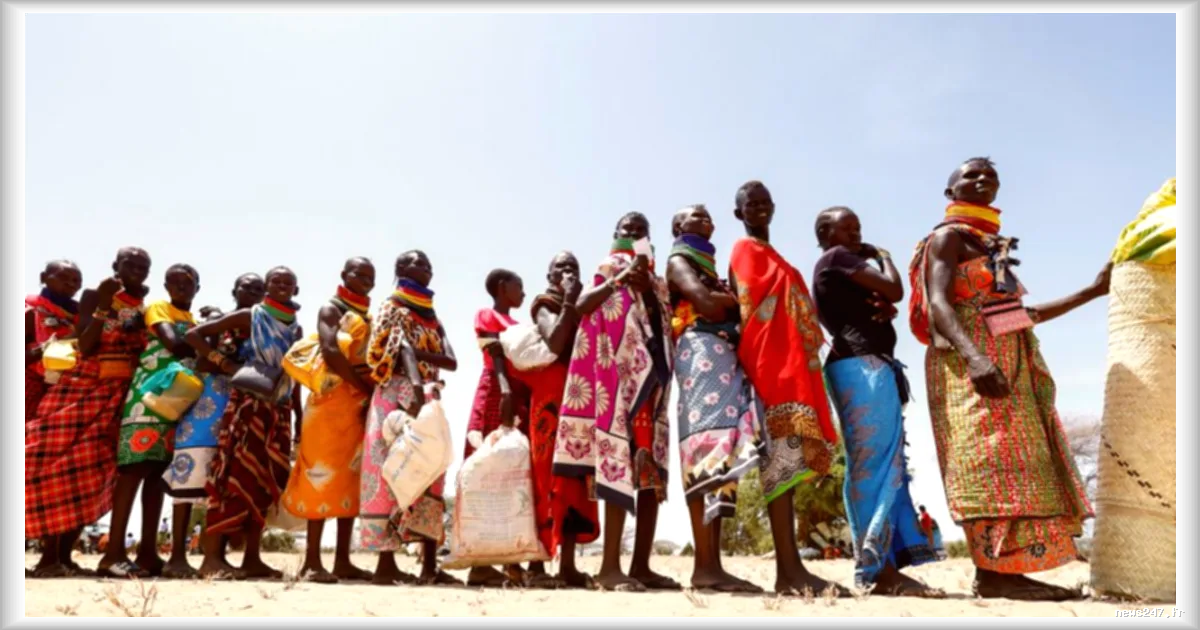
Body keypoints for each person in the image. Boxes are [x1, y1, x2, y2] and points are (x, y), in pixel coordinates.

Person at [908, 157, 1110, 601]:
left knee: (1014, 467)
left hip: (1009, 366)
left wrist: (1092, 292)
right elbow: (940, 305)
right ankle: (994, 574)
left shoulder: (991, 248)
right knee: (983, 462)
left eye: (991, 175)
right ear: (950, 192)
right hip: (969, 367)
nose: (983, 180)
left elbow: (1022, 316)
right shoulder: (947, 239)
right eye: (971, 175)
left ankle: (1004, 573)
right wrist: (976, 358)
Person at [813, 207, 942, 597]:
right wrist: (882, 253)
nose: (855, 235)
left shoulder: (839, 267)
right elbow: (895, 288)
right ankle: (877, 570)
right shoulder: (836, 258)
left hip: (864, 365)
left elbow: (885, 301)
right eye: (846, 229)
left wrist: (885, 307)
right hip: (861, 366)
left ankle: (883, 564)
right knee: (874, 464)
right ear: (825, 233)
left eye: (858, 229)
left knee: (881, 463)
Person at [727, 181, 848, 597]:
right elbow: (754, 307)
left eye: (764, 202)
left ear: (773, 208)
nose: (759, 208)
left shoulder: (777, 254)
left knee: (788, 461)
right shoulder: (744, 251)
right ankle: (788, 571)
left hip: (792, 365)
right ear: (738, 212)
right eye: (750, 203)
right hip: (770, 365)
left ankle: (791, 567)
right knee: (778, 460)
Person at [553, 212, 678, 593]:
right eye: (629, 229)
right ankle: (610, 568)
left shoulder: (656, 281)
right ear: (616, 235)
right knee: (617, 465)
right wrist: (623, 278)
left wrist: (650, 292)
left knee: (649, 473)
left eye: (642, 231)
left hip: (650, 383)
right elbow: (584, 307)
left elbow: (662, 324)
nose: (635, 235)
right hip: (615, 385)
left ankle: (641, 565)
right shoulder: (607, 268)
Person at [25, 247, 151, 578]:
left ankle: (64, 556)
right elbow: (86, 343)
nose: (137, 270)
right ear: (116, 267)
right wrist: (104, 305)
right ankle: (47, 558)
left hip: (117, 393)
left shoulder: (141, 306)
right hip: (81, 388)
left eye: (143, 267)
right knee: (53, 466)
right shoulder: (96, 294)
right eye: (130, 264)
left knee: (88, 475)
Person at [665, 205, 764, 594]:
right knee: (704, 452)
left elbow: (718, 302)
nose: (706, 219)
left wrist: (725, 298)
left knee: (720, 456)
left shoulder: (708, 266)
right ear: (678, 227)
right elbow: (705, 304)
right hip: (702, 351)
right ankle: (705, 568)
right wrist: (734, 298)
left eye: (708, 215)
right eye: (695, 215)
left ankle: (712, 566)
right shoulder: (678, 260)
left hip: (720, 353)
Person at [187, 266, 304, 579]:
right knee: (232, 476)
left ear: (296, 289)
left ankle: (252, 558)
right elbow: (194, 335)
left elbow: (297, 373)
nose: (282, 285)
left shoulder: (296, 328)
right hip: (247, 405)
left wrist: (299, 415)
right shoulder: (251, 316)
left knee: (266, 481)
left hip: (279, 410)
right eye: (276, 281)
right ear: (267, 286)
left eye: (288, 282)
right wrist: (226, 363)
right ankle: (211, 558)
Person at [358, 251, 462, 586]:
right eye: (420, 264)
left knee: (431, 472)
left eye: (430, 265)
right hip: (396, 395)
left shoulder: (431, 316)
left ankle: (429, 565)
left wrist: (413, 353)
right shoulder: (391, 308)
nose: (428, 269)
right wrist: (416, 386)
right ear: (401, 270)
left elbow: (451, 360)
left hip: (427, 395)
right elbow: (385, 354)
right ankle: (385, 564)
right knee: (389, 471)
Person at [281, 257, 377, 584]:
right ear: (343, 276)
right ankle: (310, 561)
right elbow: (331, 351)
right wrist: (364, 386)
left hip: (357, 405)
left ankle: (342, 561)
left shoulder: (369, 316)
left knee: (351, 476)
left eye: (370, 277)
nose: (365, 280)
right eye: (358, 274)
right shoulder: (331, 309)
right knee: (319, 474)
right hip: (328, 402)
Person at [100, 264, 199, 578]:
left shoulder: (192, 320)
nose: (181, 288)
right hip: (149, 397)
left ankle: (147, 553)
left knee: (156, 477)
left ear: (198, 287)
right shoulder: (159, 308)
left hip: (174, 401)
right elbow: (174, 343)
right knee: (132, 471)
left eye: (188, 283)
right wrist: (209, 340)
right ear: (167, 286)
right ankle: (112, 554)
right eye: (175, 283)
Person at [163, 273, 265, 578]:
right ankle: (177, 558)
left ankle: (214, 557)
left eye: (258, 289)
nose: (252, 292)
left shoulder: (261, 328)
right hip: (206, 402)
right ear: (234, 290)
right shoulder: (219, 320)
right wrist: (226, 363)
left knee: (219, 483)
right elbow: (200, 356)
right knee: (188, 478)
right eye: (245, 286)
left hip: (235, 407)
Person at [511, 251, 600, 589]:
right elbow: (556, 340)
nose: (567, 271)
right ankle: (536, 563)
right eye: (560, 266)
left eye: (573, 267)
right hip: (551, 397)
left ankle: (568, 565)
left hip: (581, 395)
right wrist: (571, 302)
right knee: (546, 472)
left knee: (577, 476)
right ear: (549, 275)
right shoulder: (544, 304)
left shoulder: (584, 303)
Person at [462, 268, 536, 588]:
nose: (523, 292)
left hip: (517, 397)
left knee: (513, 477)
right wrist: (506, 390)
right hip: (496, 393)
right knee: (488, 471)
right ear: (503, 287)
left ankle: (509, 562)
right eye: (519, 286)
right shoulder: (487, 315)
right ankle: (480, 564)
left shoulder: (518, 325)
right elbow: (494, 355)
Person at [25, 260, 83, 422]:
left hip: (65, 390)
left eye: (76, 281)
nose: (71, 284)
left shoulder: (81, 316)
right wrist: (51, 346)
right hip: (32, 385)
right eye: (63, 277)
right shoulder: (31, 310)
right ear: (44, 278)